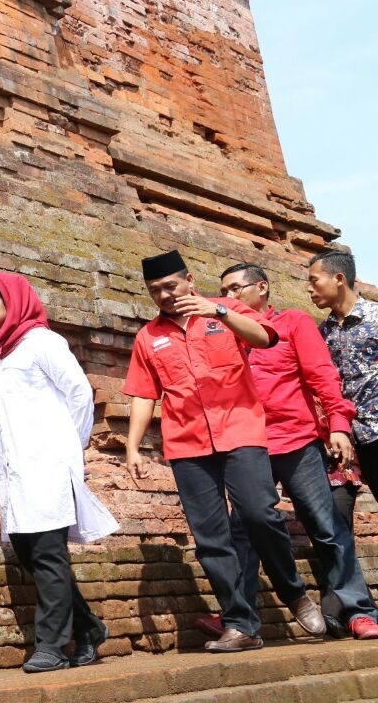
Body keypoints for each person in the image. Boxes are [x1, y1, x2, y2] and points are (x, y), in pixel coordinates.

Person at [123, 250, 326, 652]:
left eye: (170, 286)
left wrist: (216, 309)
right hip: (187, 443)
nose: (164, 295)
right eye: (154, 291)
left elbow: (265, 337)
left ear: (189, 279)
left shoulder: (226, 310)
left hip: (241, 431)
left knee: (259, 514)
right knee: (211, 537)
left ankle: (293, 592)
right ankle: (240, 625)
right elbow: (145, 395)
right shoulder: (149, 336)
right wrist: (132, 446)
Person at [197, 263, 377, 640]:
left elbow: (322, 375)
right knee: (242, 531)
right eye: (223, 291)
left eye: (235, 289)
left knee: (326, 526)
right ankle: (239, 619)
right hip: (247, 444)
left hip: (296, 440)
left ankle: (359, 610)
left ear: (261, 288)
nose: (228, 298)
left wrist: (339, 426)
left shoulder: (295, 323)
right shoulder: (222, 332)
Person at [0, 272, 119, 673]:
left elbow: (80, 394)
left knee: (49, 553)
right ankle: (88, 628)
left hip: (48, 464)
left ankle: (50, 647)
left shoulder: (42, 342)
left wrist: (71, 447)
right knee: (31, 555)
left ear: (11, 301)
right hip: (13, 472)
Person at [310, 250, 378, 489]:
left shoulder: (375, 317)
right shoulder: (321, 332)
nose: (309, 289)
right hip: (345, 438)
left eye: (314, 280)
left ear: (338, 279)